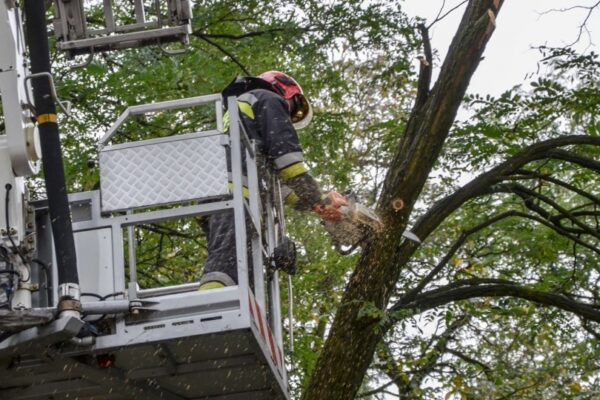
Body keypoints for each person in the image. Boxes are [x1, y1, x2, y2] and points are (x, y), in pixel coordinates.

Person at [198, 71, 344, 290]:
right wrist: (321, 200)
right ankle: (209, 311)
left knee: (237, 268)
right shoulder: (267, 98)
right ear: (286, 90)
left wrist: (317, 204)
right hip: (233, 195)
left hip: (220, 195)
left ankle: (223, 311)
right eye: (290, 109)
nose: (287, 116)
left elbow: (282, 188)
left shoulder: (241, 113)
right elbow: (289, 164)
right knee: (226, 264)